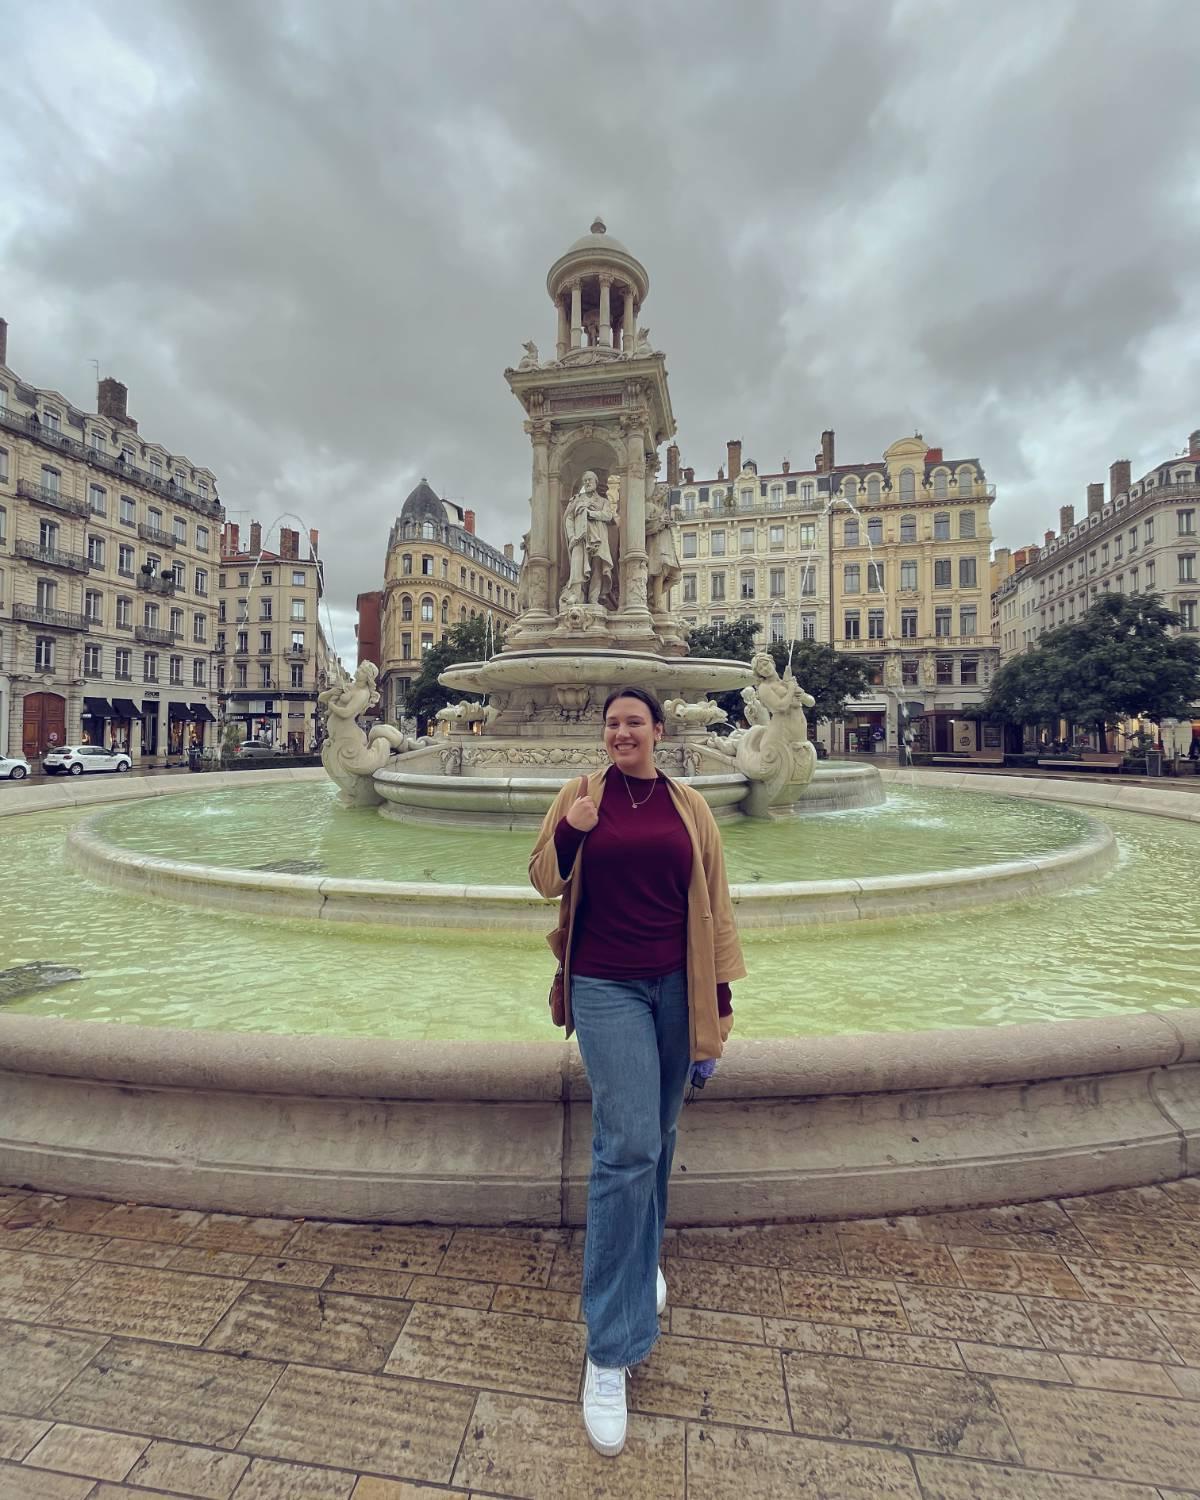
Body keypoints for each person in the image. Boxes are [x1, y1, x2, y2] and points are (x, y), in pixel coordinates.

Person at [528, 687, 745, 1457]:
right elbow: (541, 880)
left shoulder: (690, 806)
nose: (622, 732)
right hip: (606, 984)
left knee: (656, 1135)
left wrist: (714, 1013)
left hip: (674, 986)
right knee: (625, 1150)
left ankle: (640, 1263)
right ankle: (610, 1348)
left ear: (658, 730)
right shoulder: (580, 797)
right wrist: (571, 836)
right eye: (612, 723)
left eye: (634, 722)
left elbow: (715, 908)